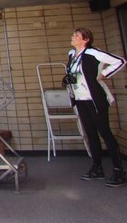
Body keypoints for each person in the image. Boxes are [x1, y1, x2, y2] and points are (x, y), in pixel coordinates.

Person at [63, 28, 126, 187]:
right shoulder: (72, 54)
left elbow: (120, 61)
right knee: (91, 133)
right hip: (80, 99)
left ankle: (119, 170)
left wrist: (104, 74)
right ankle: (97, 167)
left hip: (95, 99)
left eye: (76, 35)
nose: (73, 37)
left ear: (86, 39)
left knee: (104, 131)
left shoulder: (93, 53)